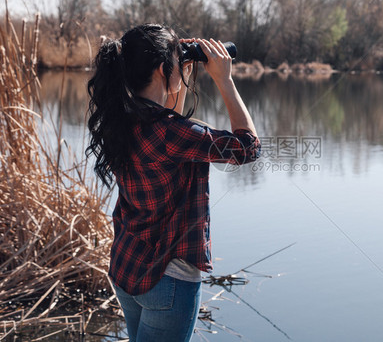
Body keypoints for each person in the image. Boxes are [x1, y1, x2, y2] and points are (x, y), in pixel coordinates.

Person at [86, 24, 260, 341]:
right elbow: (247, 148)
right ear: (162, 69)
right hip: (169, 281)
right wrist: (225, 80)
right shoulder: (171, 134)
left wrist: (178, 79)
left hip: (128, 267)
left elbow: (169, 124)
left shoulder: (120, 119)